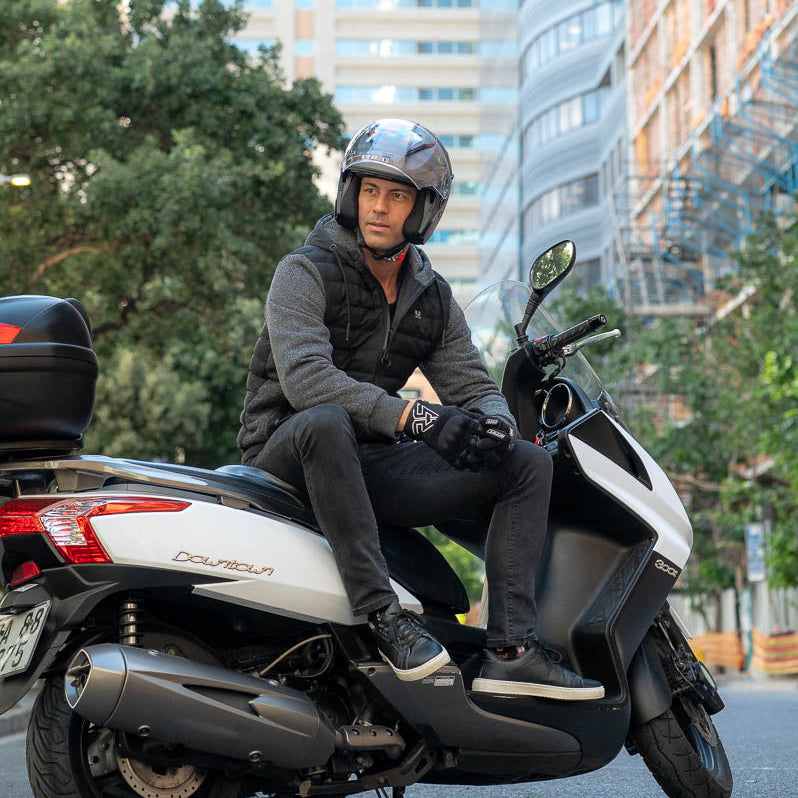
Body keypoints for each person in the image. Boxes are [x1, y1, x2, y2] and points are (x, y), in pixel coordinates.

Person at [238, 118, 603, 700]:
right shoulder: (303, 272)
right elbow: (308, 382)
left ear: (424, 211)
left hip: (366, 464)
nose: (379, 207)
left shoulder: (431, 298)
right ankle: (384, 619)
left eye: (398, 196)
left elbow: (472, 384)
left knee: (526, 462)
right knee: (326, 421)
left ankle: (513, 651)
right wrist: (417, 418)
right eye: (370, 190)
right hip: (284, 458)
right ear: (351, 194)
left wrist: (495, 424)